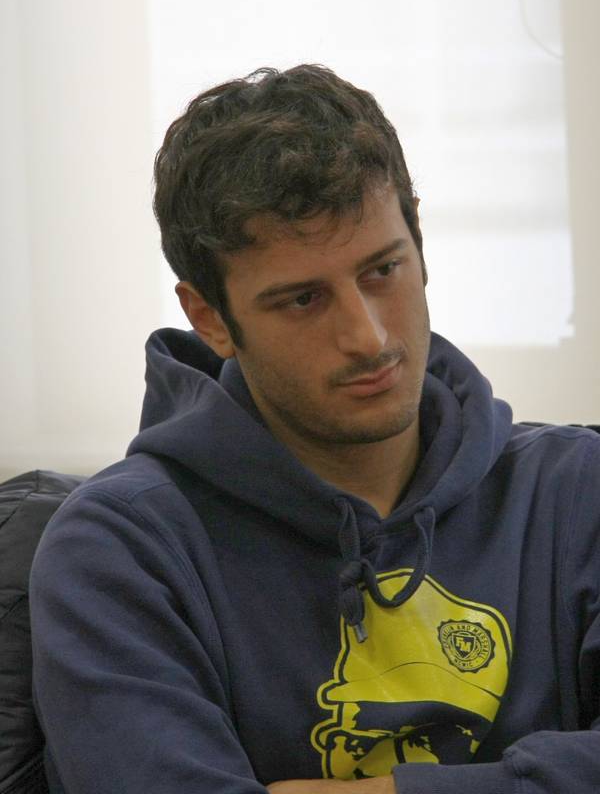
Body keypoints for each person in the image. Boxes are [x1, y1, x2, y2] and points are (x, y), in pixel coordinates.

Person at [29, 64, 600, 794]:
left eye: (382, 270)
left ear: (419, 244)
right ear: (210, 318)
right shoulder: (121, 550)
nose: (367, 337)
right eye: (302, 300)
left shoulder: (576, 491)